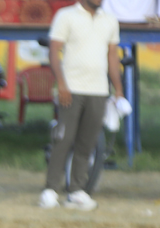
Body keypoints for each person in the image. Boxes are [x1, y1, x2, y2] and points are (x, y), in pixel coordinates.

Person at [39, 0, 124, 211]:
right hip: (71, 88)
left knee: (87, 142)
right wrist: (61, 84)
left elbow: (112, 56)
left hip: (99, 90)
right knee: (63, 139)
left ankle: (76, 190)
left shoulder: (110, 20)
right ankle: (50, 190)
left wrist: (118, 89)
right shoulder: (66, 15)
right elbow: (54, 51)